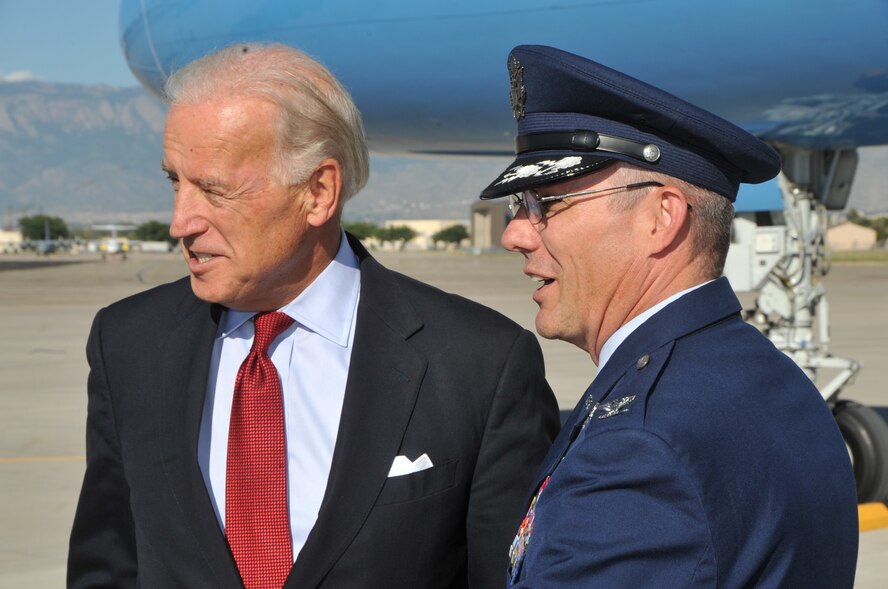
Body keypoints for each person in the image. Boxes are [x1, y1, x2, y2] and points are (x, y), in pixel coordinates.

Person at [67, 43, 560, 589]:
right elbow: (107, 563)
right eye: (175, 182)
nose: (180, 221)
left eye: (213, 189)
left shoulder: (480, 362)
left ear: (318, 192)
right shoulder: (127, 344)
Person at [479, 45, 859, 588]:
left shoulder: (639, 448)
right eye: (519, 207)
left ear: (662, 217)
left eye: (547, 202)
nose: (514, 234)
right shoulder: (772, 379)